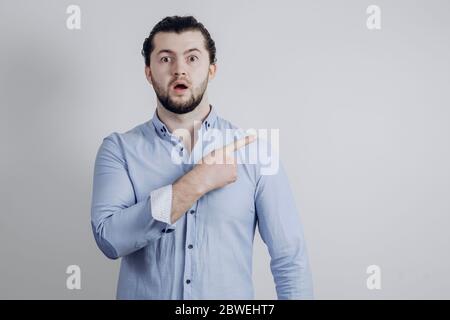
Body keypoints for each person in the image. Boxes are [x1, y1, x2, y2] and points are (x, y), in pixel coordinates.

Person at [90, 15, 313, 299]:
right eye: (165, 59)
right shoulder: (118, 150)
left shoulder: (255, 153)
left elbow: (290, 259)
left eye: (192, 58)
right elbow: (110, 239)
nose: (179, 70)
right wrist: (198, 181)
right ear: (148, 72)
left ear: (212, 70)